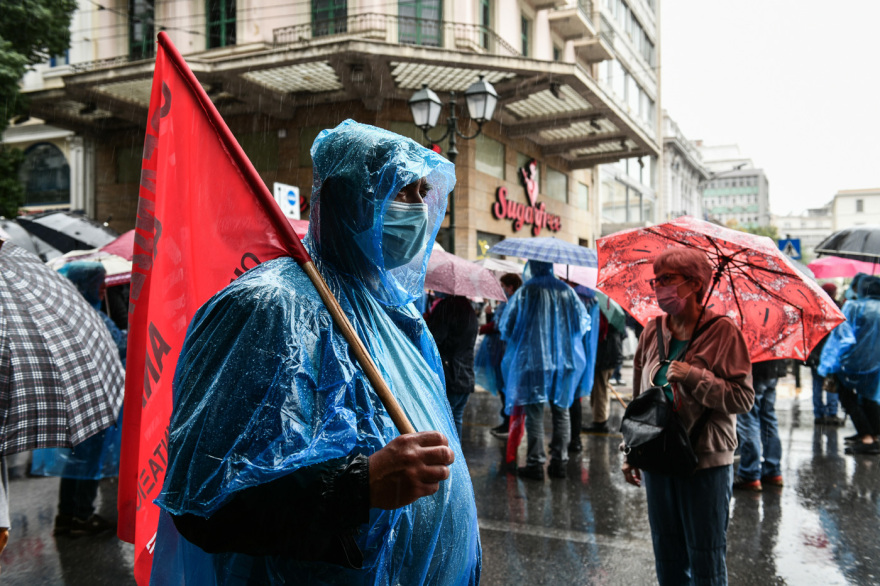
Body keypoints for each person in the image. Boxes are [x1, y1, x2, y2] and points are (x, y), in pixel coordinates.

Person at [150, 120, 481, 585]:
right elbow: (202, 498)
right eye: (399, 191)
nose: (417, 209)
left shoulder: (400, 315)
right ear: (347, 198)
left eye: (422, 192)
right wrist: (358, 486)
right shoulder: (266, 308)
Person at [621, 247, 754, 586]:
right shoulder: (652, 330)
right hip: (657, 455)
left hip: (705, 461)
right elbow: (640, 400)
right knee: (667, 554)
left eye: (667, 279)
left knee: (705, 555)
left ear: (695, 284)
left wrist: (694, 376)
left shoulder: (723, 332)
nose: (658, 287)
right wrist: (631, 449)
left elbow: (742, 398)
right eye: (656, 280)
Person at [42, 262, 126, 537]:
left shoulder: (66, 313)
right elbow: (118, 345)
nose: (103, 289)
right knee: (89, 459)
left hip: (74, 397)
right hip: (93, 400)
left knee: (74, 459)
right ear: (84, 285)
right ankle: (82, 516)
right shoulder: (91, 316)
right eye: (98, 283)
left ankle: (66, 515)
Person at [499, 260, 589, 480]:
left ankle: (536, 464)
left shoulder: (526, 292)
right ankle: (559, 463)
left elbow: (508, 327)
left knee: (534, 413)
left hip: (534, 362)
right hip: (565, 361)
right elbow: (580, 324)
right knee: (562, 411)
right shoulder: (567, 291)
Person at [819, 274, 880, 456]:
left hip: (852, 364)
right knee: (869, 399)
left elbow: (842, 339)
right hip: (875, 365)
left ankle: (867, 437)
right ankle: (872, 435)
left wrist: (829, 364)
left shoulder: (854, 307)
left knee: (848, 399)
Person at [475, 273, 522, 437]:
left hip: (503, 350)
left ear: (510, 287)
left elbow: (500, 326)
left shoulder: (512, 302)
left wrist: (483, 328)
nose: (501, 290)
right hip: (500, 349)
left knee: (506, 387)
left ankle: (508, 423)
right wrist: (490, 315)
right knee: (503, 387)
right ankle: (506, 421)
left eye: (503, 286)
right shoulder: (508, 302)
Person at [427, 294, 479, 439]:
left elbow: (433, 340)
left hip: (450, 376)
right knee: (456, 420)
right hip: (465, 376)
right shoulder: (469, 309)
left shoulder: (447, 307)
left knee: (443, 424)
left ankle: (449, 453)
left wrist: (428, 323)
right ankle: (455, 454)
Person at [733, 359, 787, 491]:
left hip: (754, 369)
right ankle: (773, 470)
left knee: (748, 420)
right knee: (768, 417)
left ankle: (749, 473)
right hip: (773, 368)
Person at [569, 285, 600, 453]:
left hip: (571, 355)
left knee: (566, 401)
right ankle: (575, 439)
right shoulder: (592, 300)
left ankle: (571, 440)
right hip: (584, 356)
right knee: (575, 400)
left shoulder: (572, 298)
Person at [584, 310, 624, 433]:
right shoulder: (614, 314)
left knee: (599, 389)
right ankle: (601, 418)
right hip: (612, 353)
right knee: (602, 387)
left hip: (604, 356)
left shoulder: (602, 313)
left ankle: (600, 421)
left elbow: (599, 332)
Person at [809, 283, 842, 426]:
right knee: (831, 384)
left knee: (817, 385)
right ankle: (831, 414)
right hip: (832, 355)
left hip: (815, 355)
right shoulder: (838, 309)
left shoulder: (814, 308)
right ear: (834, 293)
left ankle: (818, 414)